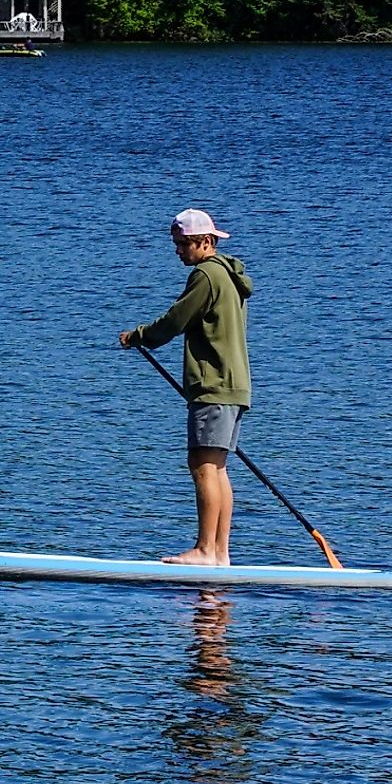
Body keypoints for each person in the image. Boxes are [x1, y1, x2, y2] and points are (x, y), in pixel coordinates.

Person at [119, 208, 253, 566]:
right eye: (176, 244)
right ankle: (220, 553)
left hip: (213, 385)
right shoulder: (228, 276)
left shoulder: (207, 275)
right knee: (217, 466)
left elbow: (177, 319)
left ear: (206, 242)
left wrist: (139, 336)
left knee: (203, 465)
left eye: (183, 245)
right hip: (234, 385)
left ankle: (206, 550)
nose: (178, 251)